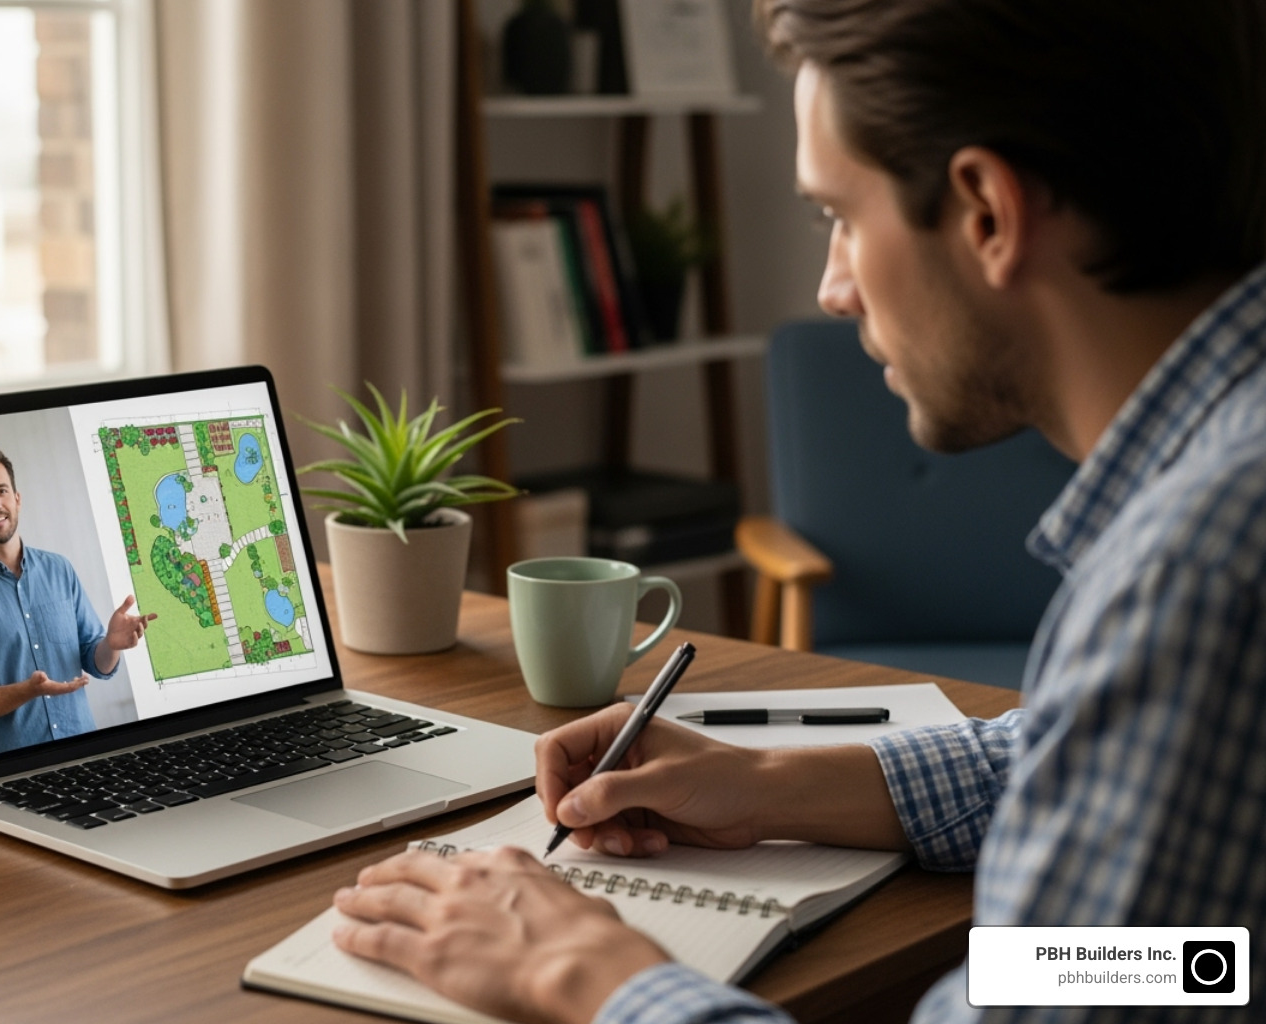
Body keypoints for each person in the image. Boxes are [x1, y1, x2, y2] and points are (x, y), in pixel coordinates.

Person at [328, 2, 1266, 1022]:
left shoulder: (1197, 576)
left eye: (840, 216)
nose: (830, 288)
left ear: (988, 212)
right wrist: (773, 783)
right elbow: (1192, 954)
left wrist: (592, 977)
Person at [0, 444, 155, 756]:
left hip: (86, 752)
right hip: (19, 768)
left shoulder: (60, 569)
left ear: (17, 498)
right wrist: (28, 691)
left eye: (1, 490)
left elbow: (96, 661)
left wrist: (111, 644)